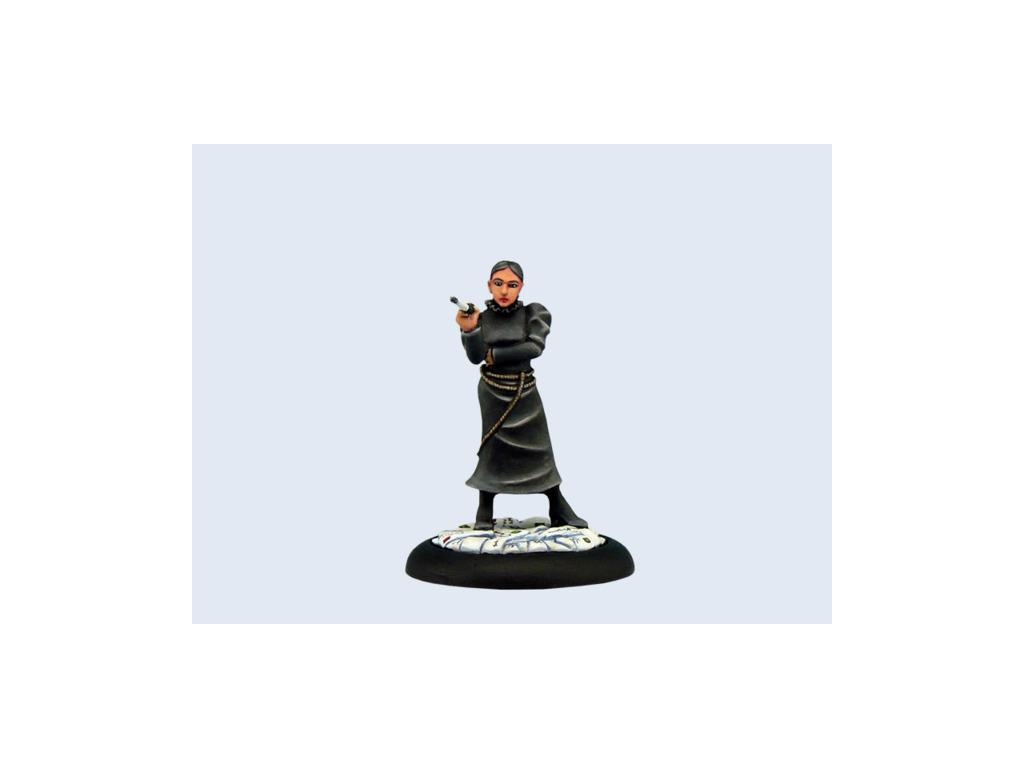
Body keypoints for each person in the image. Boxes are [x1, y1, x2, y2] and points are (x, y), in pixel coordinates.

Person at [455, 261, 588, 531]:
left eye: (512, 284)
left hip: (524, 390)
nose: (504, 291)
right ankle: (484, 509)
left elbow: (534, 347)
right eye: (498, 283)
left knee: (539, 447)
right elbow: (475, 357)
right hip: (492, 391)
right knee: (493, 448)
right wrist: (470, 330)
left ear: (521, 287)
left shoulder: (533, 314)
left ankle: (557, 504)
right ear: (489, 285)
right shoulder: (483, 319)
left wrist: (494, 355)